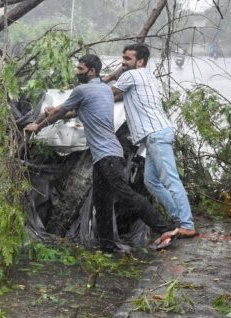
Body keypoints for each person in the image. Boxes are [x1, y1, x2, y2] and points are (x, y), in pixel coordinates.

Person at [24, 54, 177, 252]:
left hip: (107, 156)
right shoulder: (103, 90)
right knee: (102, 201)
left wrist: (37, 126)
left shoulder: (82, 90)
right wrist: (54, 112)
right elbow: (73, 112)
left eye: (81, 69)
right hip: (106, 156)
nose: (77, 72)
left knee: (125, 194)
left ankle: (166, 228)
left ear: (92, 71)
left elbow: (61, 112)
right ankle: (108, 246)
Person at [103, 43, 198, 238]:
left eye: (127, 59)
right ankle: (178, 218)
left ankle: (187, 224)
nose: (123, 62)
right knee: (152, 181)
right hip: (157, 134)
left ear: (140, 61)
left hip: (156, 134)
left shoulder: (131, 75)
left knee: (170, 179)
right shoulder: (147, 76)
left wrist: (106, 78)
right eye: (123, 58)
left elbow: (105, 93)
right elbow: (121, 96)